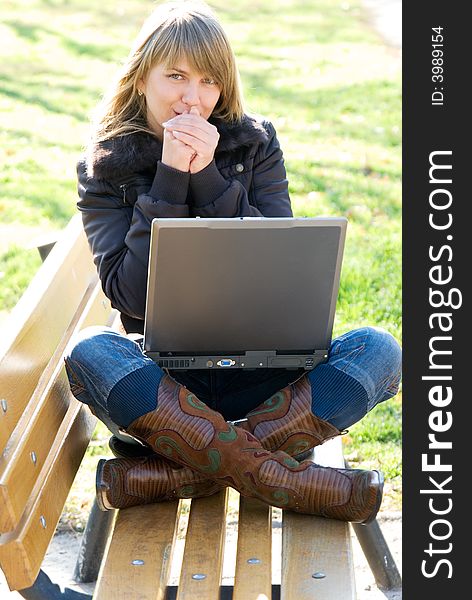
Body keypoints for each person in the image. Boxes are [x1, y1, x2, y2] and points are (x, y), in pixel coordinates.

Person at [65, 0, 402, 523]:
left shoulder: (256, 144)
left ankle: (186, 470)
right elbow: (129, 297)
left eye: (208, 81)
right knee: (92, 352)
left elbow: (276, 264)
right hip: (168, 382)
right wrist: (171, 178)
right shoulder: (105, 167)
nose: (192, 98)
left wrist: (209, 178)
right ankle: (276, 472)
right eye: (175, 76)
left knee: (378, 350)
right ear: (140, 79)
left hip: (266, 371)